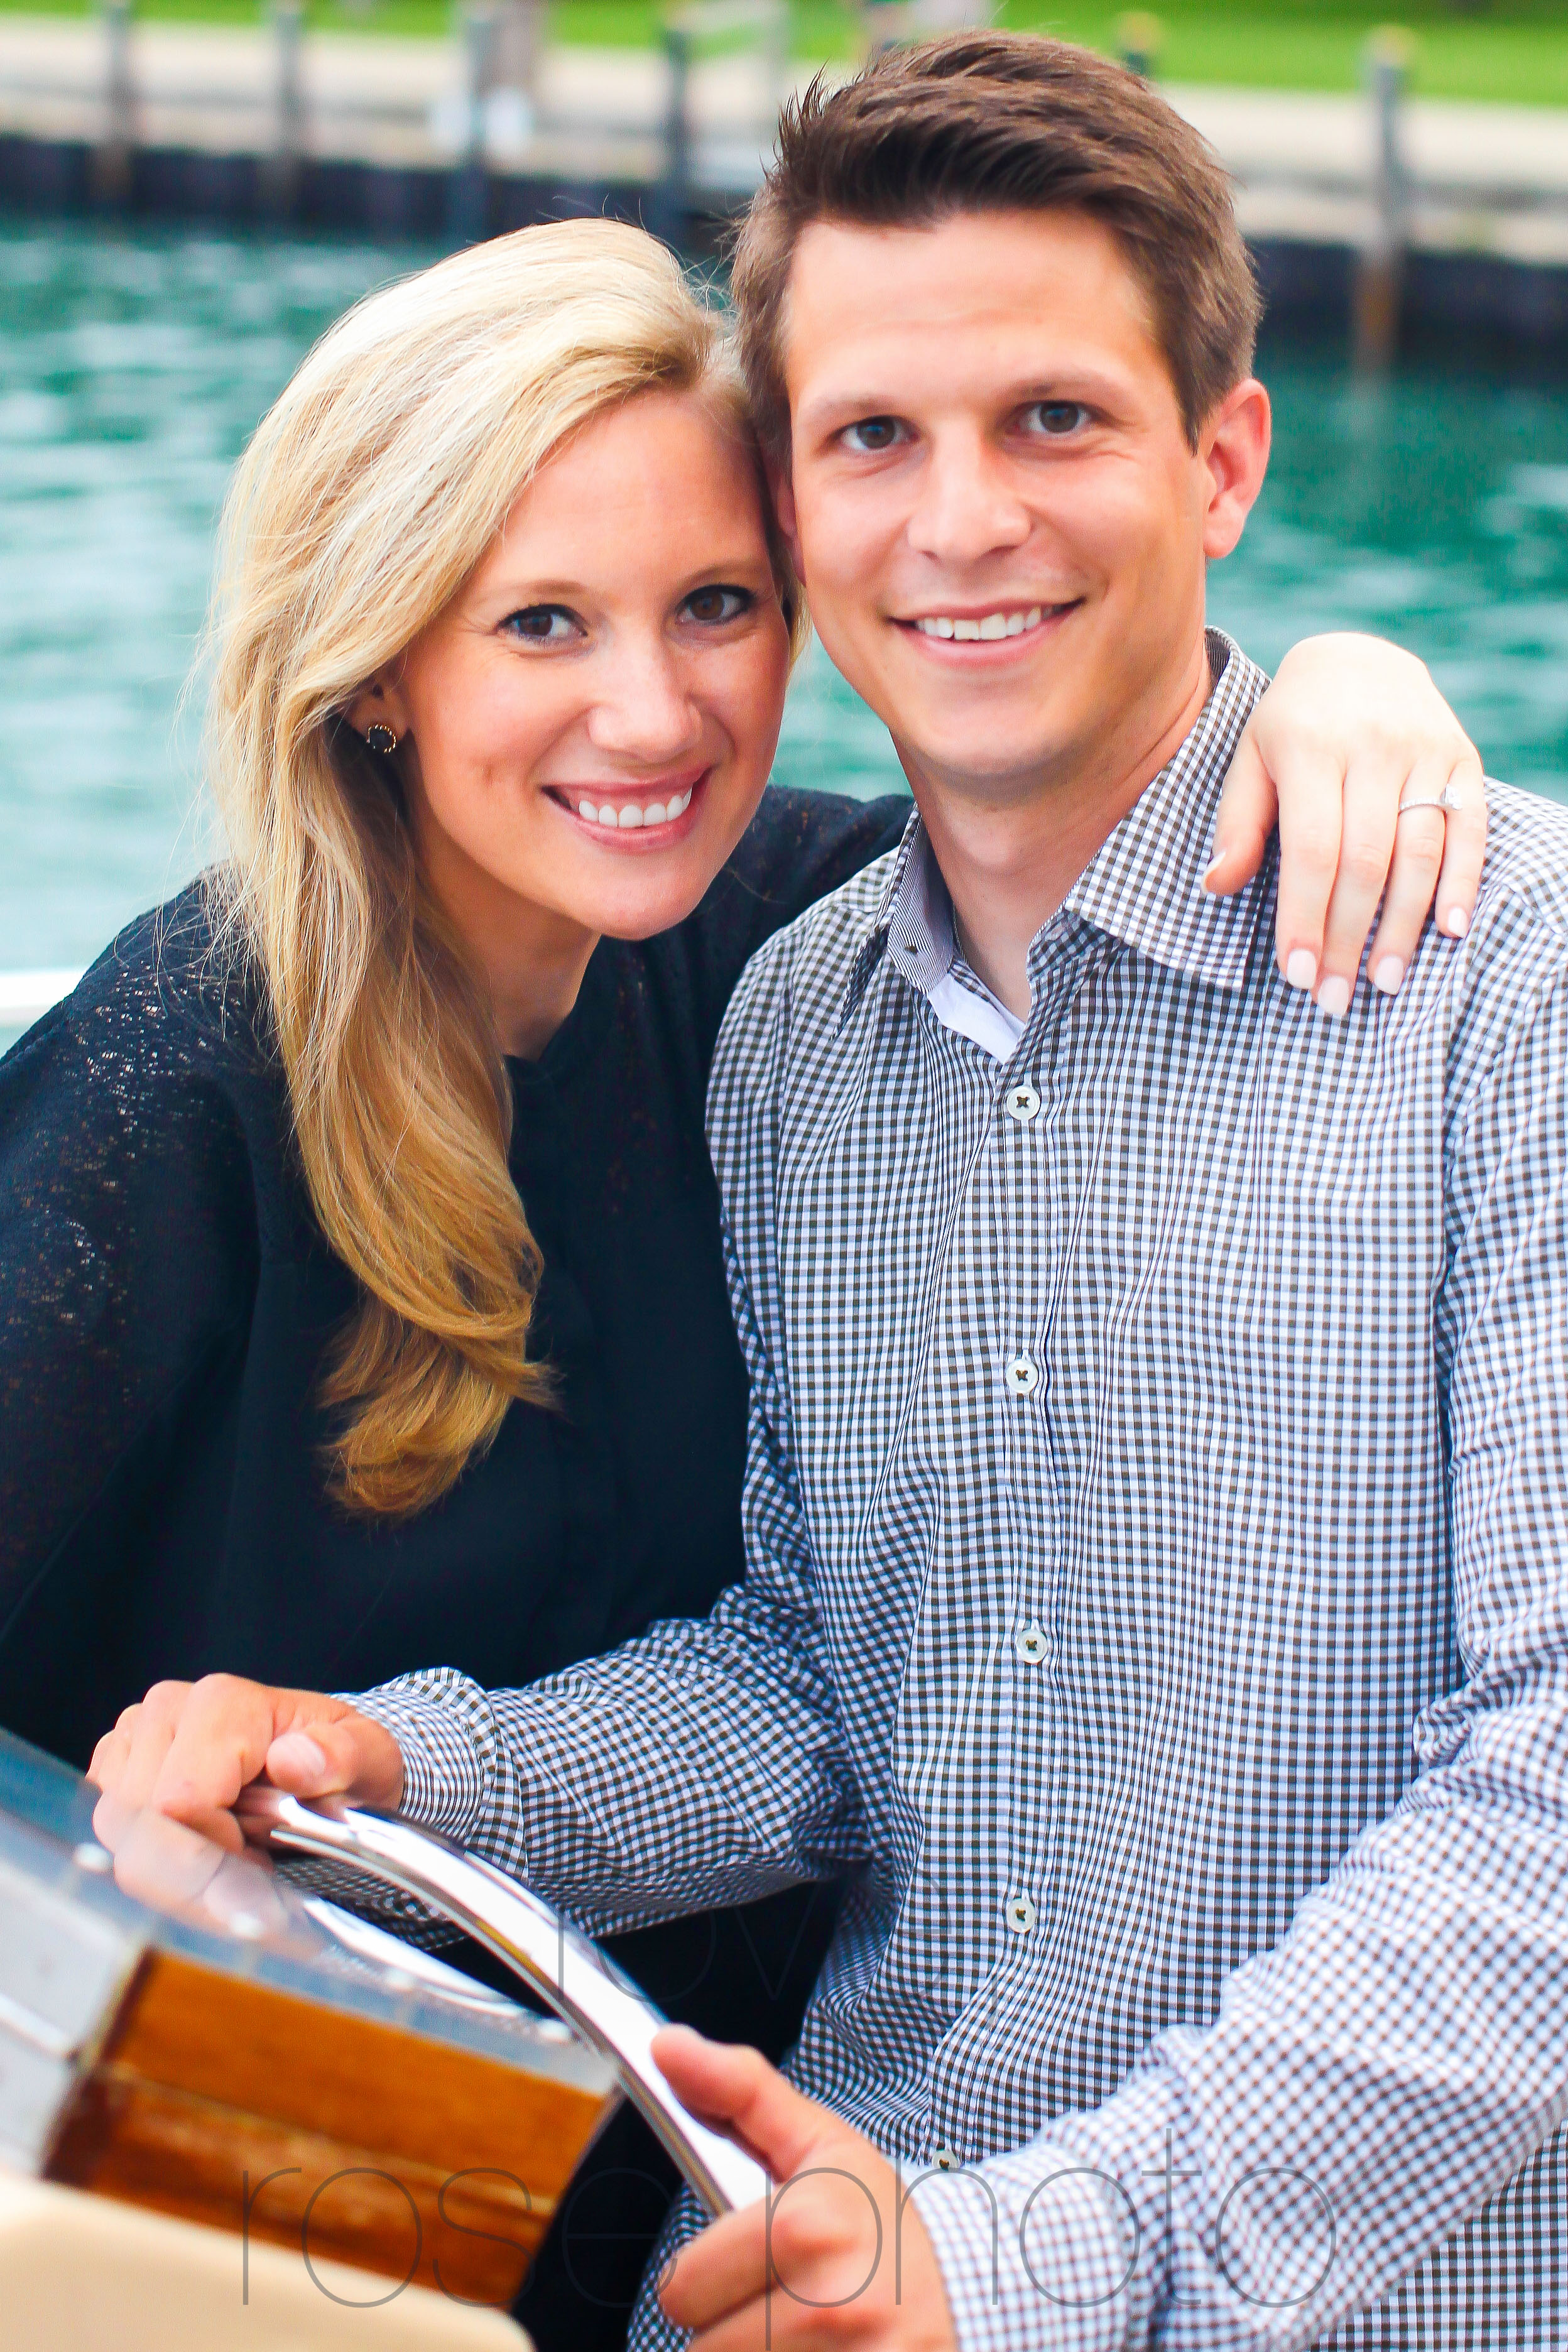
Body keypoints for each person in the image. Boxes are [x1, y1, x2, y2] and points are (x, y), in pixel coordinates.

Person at [65, 106, 1535, 2346]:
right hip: (488, 2129)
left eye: (1055, 418)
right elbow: (832, 1673)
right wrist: (394, 1759)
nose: (961, 523)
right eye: (874, 439)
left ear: (1225, 467)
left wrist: (1358, 682)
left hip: (1159, 2269)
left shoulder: (1468, 977)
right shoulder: (228, 1076)